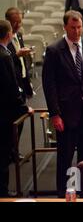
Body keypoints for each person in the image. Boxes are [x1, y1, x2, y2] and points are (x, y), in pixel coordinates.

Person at [42, 11, 83, 198]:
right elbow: (49, 85)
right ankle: (63, 194)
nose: (77, 31)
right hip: (66, 114)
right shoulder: (54, 50)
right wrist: (54, 114)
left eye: (79, 27)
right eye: (73, 27)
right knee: (65, 158)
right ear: (65, 27)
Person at [0, 20, 33, 197]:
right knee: (3, 156)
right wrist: (23, 107)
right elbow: (11, 86)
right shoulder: (5, 56)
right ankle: (3, 193)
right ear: (8, 34)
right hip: (5, 114)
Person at [5, 8, 34, 152]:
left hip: (22, 80)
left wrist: (27, 85)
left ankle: (14, 150)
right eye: (15, 22)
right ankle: (11, 150)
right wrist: (17, 54)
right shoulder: (3, 40)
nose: (18, 25)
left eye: (19, 21)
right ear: (9, 22)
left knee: (21, 120)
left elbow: (22, 63)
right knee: (14, 120)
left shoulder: (20, 36)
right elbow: (7, 61)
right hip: (12, 85)